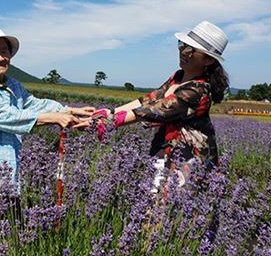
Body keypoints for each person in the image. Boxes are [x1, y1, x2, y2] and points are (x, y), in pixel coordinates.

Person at [0, 26, 94, 212]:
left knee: (6, 233)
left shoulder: (12, 84)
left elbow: (33, 104)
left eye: (4, 51)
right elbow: (9, 117)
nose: (0, 57)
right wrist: (54, 118)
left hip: (2, 177)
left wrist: (69, 110)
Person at [85, 21, 229, 196]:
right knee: (154, 199)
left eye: (191, 49)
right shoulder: (178, 76)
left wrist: (109, 122)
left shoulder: (198, 90)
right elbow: (150, 99)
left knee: (173, 206)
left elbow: (156, 110)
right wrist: (111, 111)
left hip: (189, 158)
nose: (183, 52)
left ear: (208, 59)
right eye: (182, 45)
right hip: (166, 148)